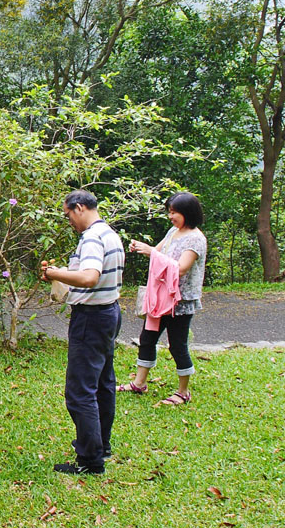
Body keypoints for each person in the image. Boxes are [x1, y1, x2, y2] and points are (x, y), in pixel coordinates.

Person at [42, 190, 124, 475]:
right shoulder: (109, 234)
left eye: (68, 215)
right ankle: (102, 445)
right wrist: (64, 271)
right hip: (109, 312)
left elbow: (90, 277)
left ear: (78, 208)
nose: (69, 222)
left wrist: (55, 274)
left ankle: (90, 460)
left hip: (91, 318)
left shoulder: (91, 237)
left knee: (80, 391)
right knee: (103, 383)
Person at [119, 192, 207, 405]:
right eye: (169, 211)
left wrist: (152, 252)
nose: (171, 216)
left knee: (177, 345)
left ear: (188, 213)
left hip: (180, 302)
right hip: (160, 298)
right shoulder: (173, 232)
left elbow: (182, 268)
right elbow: (157, 253)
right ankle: (139, 383)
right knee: (147, 339)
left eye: (174, 212)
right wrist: (142, 248)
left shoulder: (196, 238)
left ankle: (183, 391)